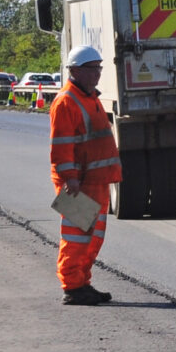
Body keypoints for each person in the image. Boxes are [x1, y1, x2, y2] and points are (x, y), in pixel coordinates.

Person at [51, 44, 122, 304]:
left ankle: (82, 282)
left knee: (92, 238)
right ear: (75, 71)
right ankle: (72, 286)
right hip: (77, 184)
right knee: (77, 237)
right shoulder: (66, 101)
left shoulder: (89, 97)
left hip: (96, 182)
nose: (98, 74)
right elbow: (61, 147)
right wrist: (70, 179)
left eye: (99, 68)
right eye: (92, 69)